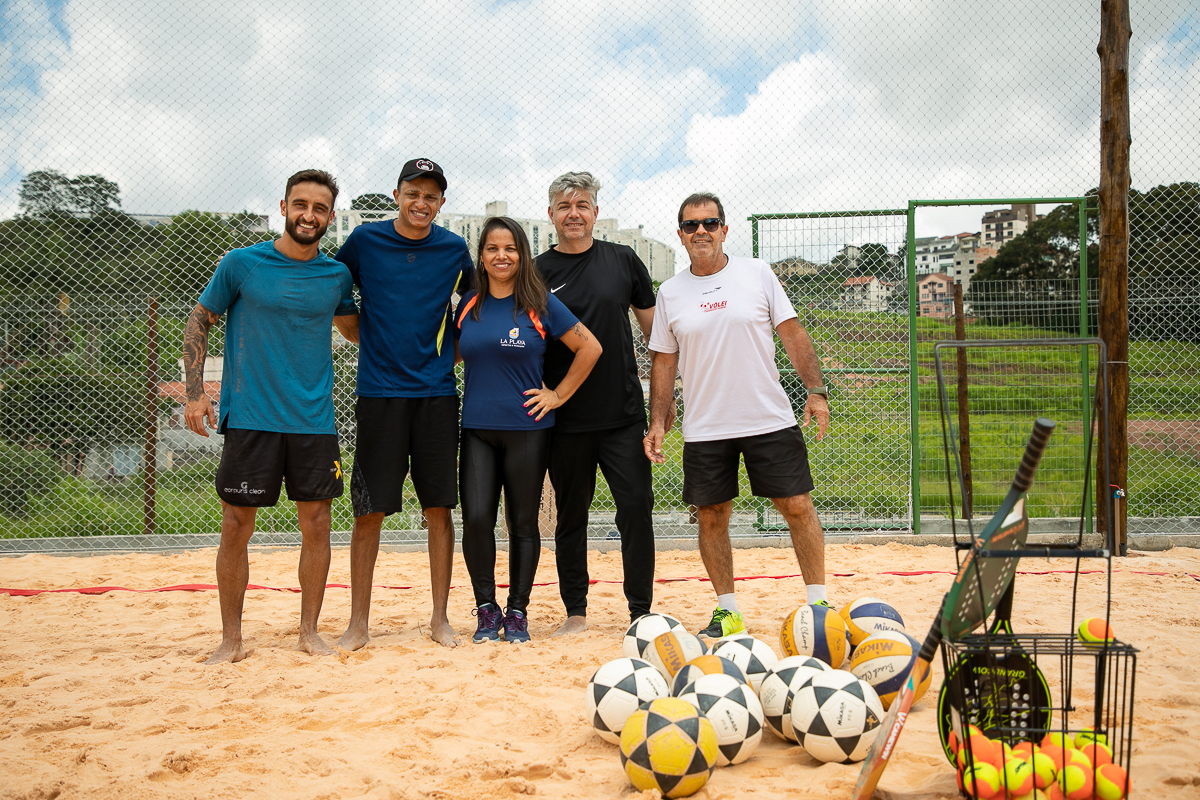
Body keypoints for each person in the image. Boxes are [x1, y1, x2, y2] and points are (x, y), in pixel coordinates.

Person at [184, 169, 357, 664]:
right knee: (237, 524)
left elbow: (355, 331)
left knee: (318, 523)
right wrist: (195, 393)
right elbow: (200, 318)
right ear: (283, 208)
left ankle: (309, 632)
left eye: (320, 208)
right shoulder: (240, 265)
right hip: (252, 417)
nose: (309, 215)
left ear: (329, 217)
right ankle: (231, 639)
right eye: (300, 205)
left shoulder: (336, 276)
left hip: (313, 420)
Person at [644, 192, 832, 640]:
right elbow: (664, 362)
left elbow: (792, 333)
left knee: (797, 506)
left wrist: (816, 391)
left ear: (725, 230)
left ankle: (819, 603)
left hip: (768, 417)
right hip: (706, 426)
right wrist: (657, 420)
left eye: (710, 223)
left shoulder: (757, 273)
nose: (701, 231)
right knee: (711, 515)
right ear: (681, 236)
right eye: (691, 226)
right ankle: (728, 611)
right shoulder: (670, 292)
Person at [332, 159, 474, 649]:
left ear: (440, 203)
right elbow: (332, 283)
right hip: (379, 395)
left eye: (431, 196)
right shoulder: (366, 241)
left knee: (439, 508)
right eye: (413, 193)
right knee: (368, 511)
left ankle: (439, 618)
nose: (421, 203)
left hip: (435, 395)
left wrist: (448, 353)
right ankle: (358, 624)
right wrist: (356, 327)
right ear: (397, 194)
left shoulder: (454, 249)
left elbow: (477, 307)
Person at [454, 217, 602, 644]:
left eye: (510, 248)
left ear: (522, 254)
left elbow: (589, 347)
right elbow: (454, 357)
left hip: (527, 429)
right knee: (478, 519)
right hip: (478, 428)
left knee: (522, 522)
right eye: (492, 248)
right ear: (481, 256)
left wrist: (557, 394)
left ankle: (517, 610)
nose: (501, 256)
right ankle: (486, 608)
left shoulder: (540, 303)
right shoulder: (468, 303)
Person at [536, 172, 660, 635]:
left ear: (595, 212)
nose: (574, 213)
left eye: (582, 204)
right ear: (551, 214)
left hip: (622, 416)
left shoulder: (623, 261)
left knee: (635, 508)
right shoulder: (535, 270)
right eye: (564, 206)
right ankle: (576, 611)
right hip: (564, 416)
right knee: (571, 516)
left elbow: (657, 337)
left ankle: (640, 611)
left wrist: (661, 409)